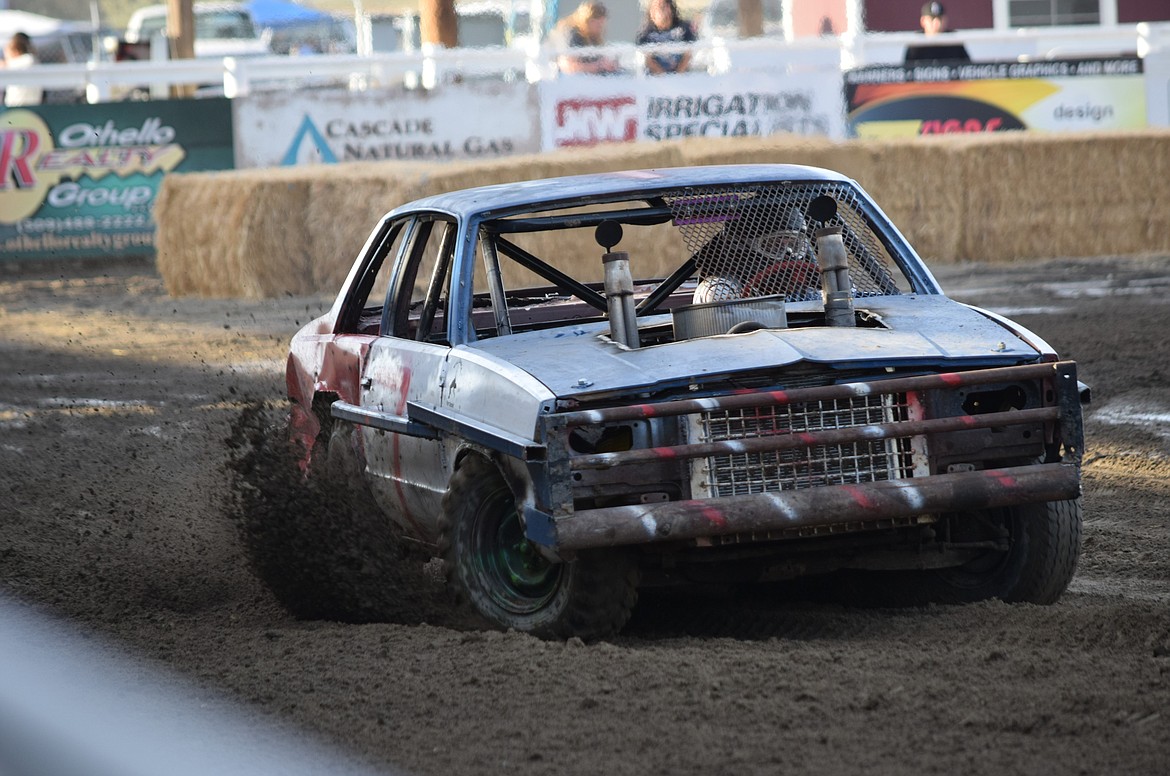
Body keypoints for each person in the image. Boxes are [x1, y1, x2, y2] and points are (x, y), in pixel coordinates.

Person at [553, 1, 620, 75]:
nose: (600, 29)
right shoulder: (571, 34)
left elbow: (596, 58)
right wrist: (599, 65)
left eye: (601, 25)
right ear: (587, 21)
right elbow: (567, 66)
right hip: (570, 81)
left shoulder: (593, 36)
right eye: (598, 25)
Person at [636, 0, 696, 76]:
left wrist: (677, 76)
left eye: (664, 6)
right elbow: (648, 60)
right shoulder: (645, 33)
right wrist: (664, 77)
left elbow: (688, 54)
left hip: (681, 77)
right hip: (656, 80)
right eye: (657, 8)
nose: (662, 10)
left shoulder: (684, 28)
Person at [904, 1, 970, 63]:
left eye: (940, 19)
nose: (937, 23)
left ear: (945, 20)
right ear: (923, 21)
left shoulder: (953, 40)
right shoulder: (916, 43)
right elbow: (907, 70)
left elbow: (968, 69)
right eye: (932, 19)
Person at [2, 32, 43, 107]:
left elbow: (6, 64)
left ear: (15, 50)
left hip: (26, 108)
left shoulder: (28, 60)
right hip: (15, 107)